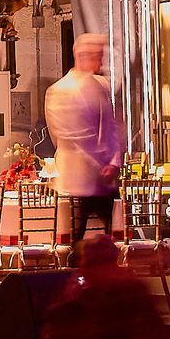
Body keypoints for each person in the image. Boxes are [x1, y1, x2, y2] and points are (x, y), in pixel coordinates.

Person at [46, 32, 121, 247]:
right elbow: (67, 135)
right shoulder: (59, 91)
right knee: (75, 238)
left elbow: (111, 126)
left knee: (107, 238)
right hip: (76, 178)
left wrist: (114, 161)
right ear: (81, 56)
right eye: (97, 57)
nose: (101, 63)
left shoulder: (102, 86)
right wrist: (100, 160)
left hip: (103, 180)